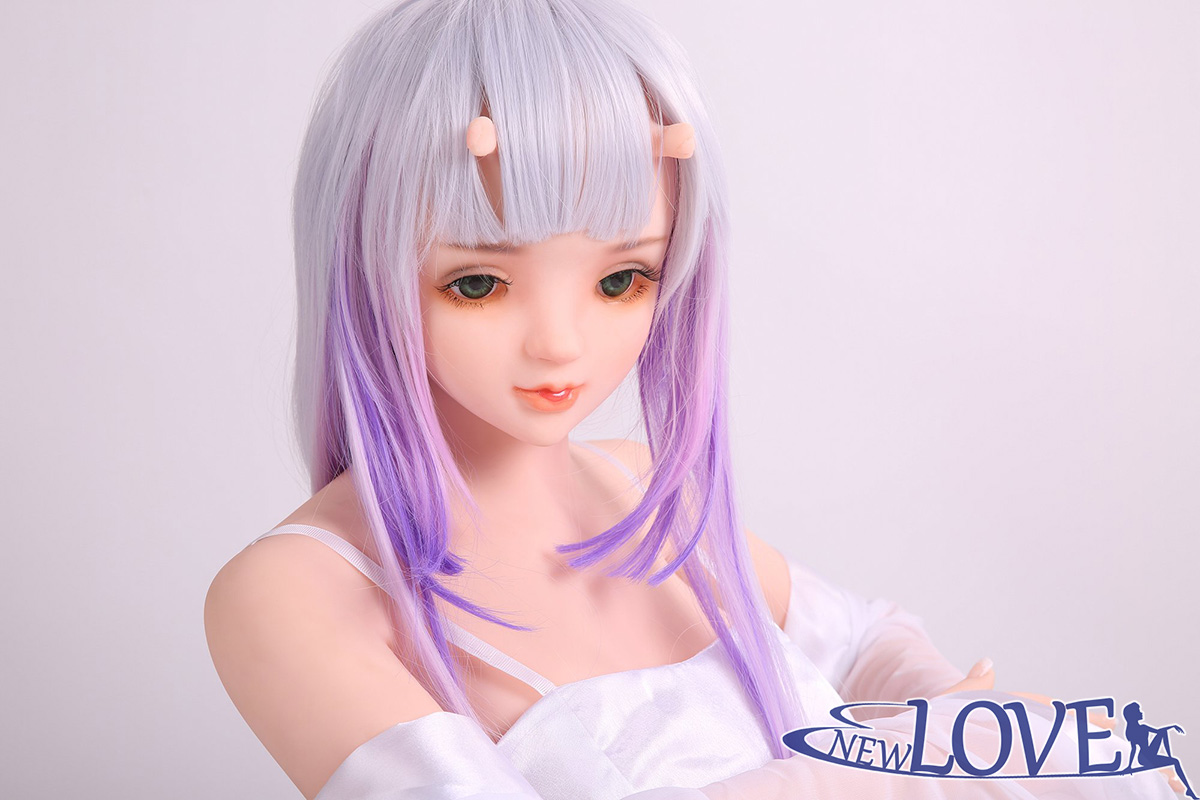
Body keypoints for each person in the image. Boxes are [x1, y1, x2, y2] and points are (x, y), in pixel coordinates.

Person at [203, 1, 1180, 798]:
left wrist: (940, 708)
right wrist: (876, 773)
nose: (560, 342)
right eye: (479, 283)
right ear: (364, 267)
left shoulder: (641, 487)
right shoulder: (293, 594)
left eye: (621, 279)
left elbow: (862, 637)